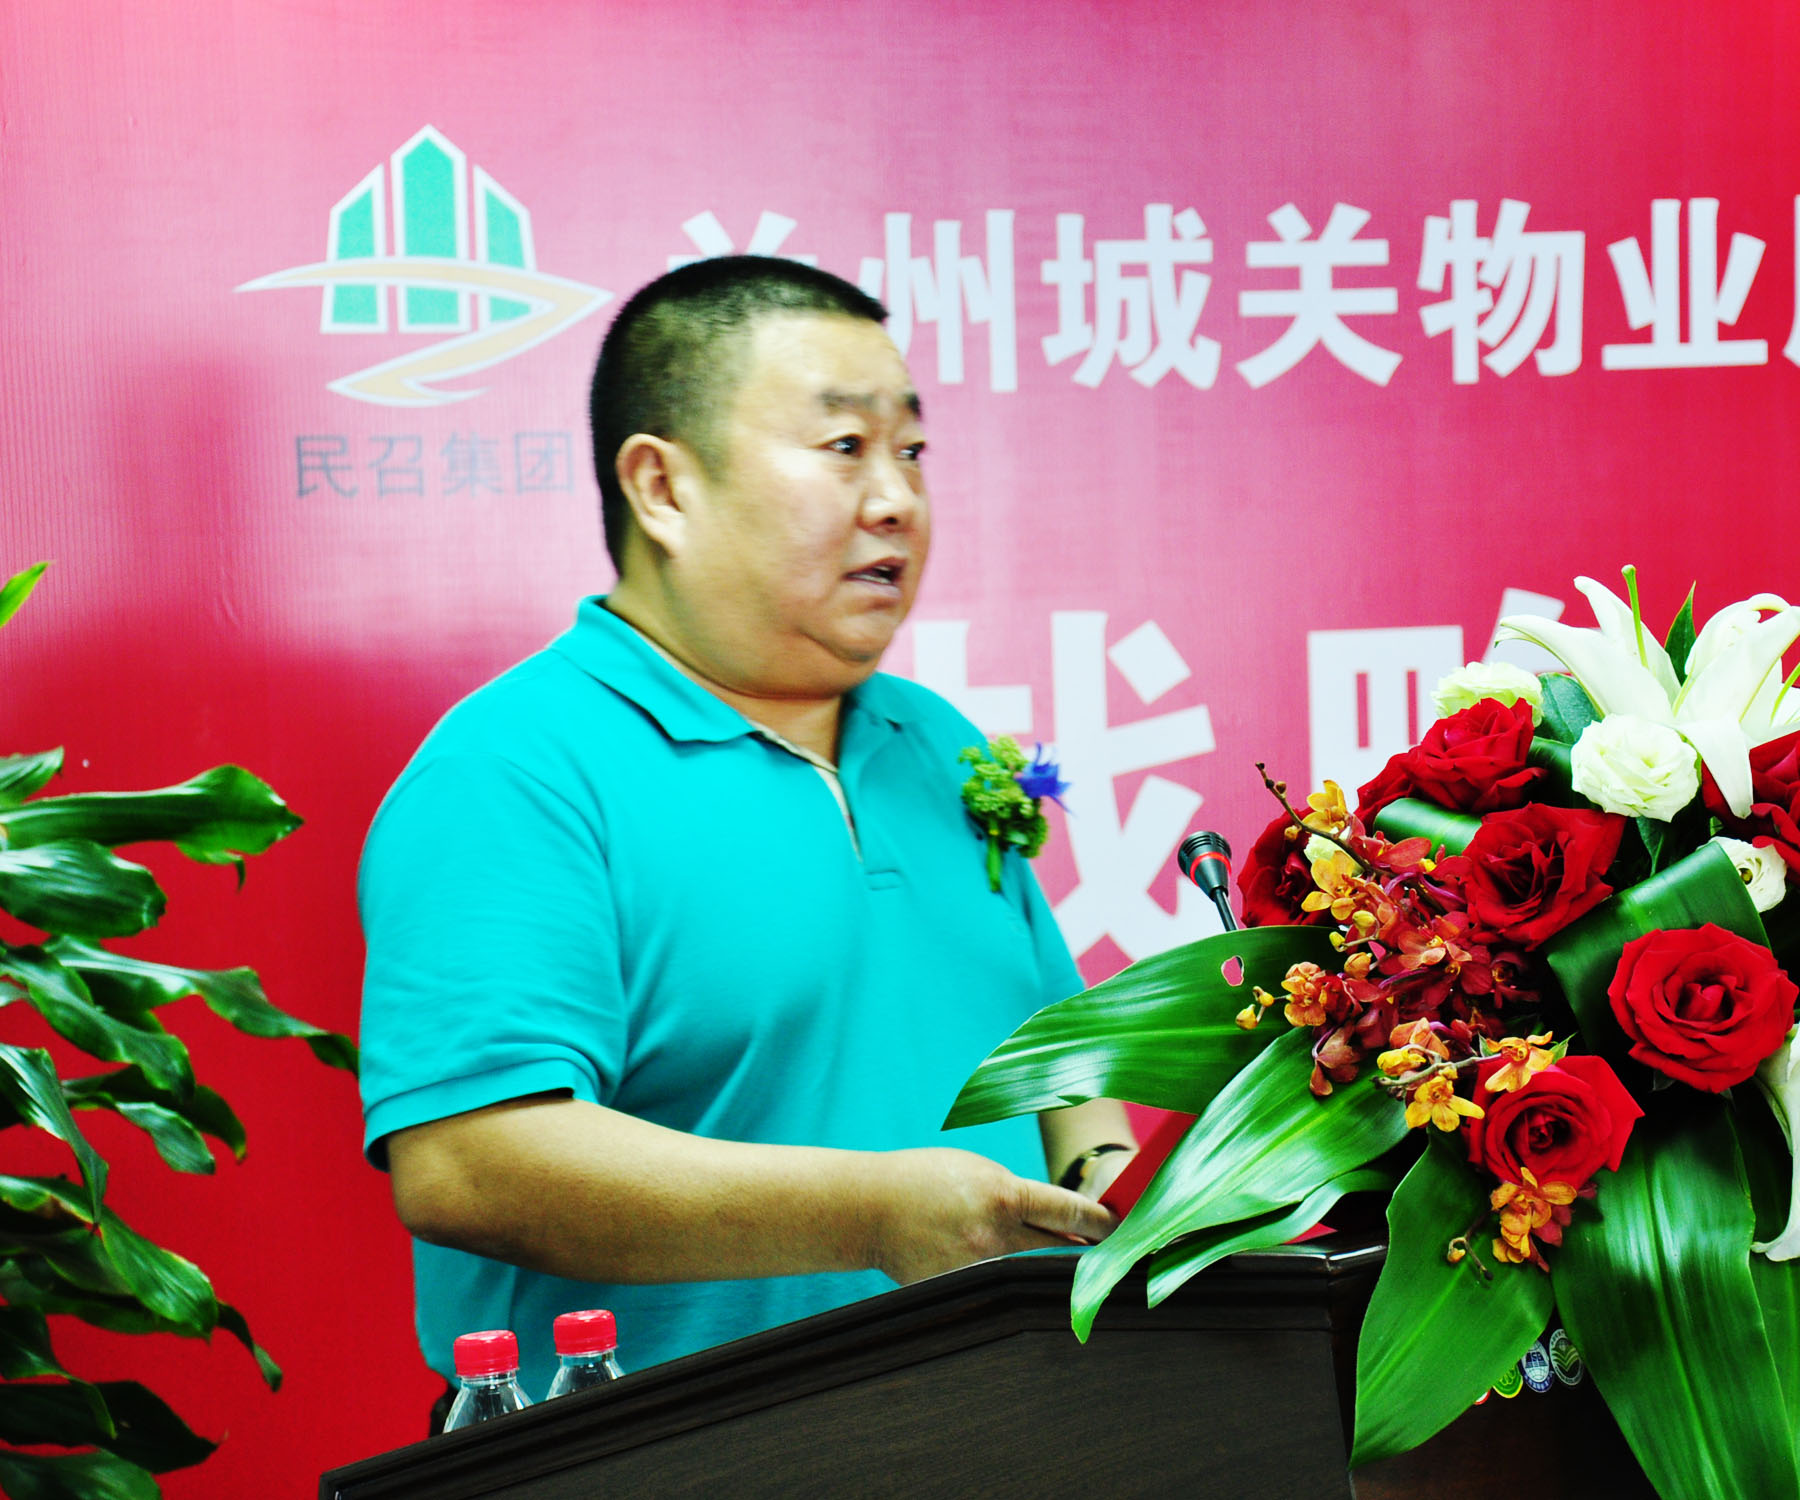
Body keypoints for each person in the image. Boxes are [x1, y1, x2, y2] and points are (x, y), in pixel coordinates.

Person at [357, 256, 1135, 1404]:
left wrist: (1132, 1200)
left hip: (1017, 1432)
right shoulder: (514, 768)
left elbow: (1058, 1063)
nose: (896, 500)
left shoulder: (938, 744)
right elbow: (469, 1162)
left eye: (912, 450)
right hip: (674, 1456)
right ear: (663, 487)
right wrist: (871, 1215)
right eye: (844, 447)